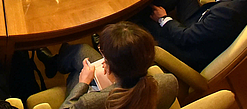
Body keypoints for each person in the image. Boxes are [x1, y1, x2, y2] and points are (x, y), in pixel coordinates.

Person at [35, 22, 178, 109]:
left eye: (103, 55)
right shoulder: (170, 81)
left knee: (78, 71)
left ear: (107, 65)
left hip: (96, 92)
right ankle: (54, 62)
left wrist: (83, 83)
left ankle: (54, 64)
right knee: (82, 51)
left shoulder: (89, 102)